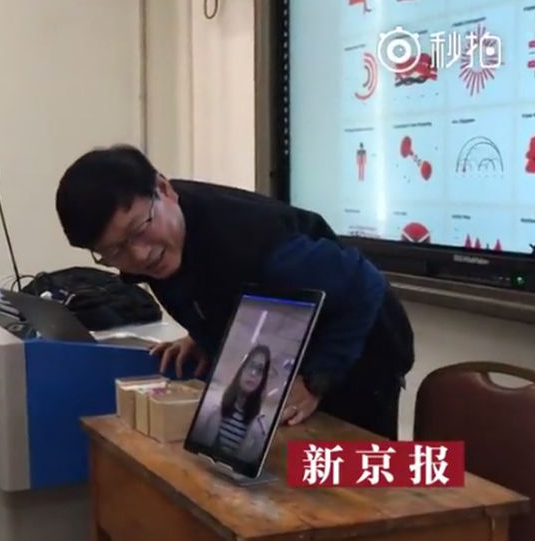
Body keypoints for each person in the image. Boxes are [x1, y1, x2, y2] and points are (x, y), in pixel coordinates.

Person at [55, 145, 415, 440]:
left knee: (350, 488)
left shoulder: (261, 246)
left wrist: (317, 379)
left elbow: (364, 283)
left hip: (361, 353)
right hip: (287, 345)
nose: (140, 255)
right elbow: (208, 285)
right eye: (115, 251)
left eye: (139, 230)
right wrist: (202, 332)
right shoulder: (162, 230)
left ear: (164, 190)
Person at [191, 345, 271, 462]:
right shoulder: (212, 409)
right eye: (251, 366)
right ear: (241, 370)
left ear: (262, 380)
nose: (253, 373)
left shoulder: (260, 430)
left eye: (259, 370)